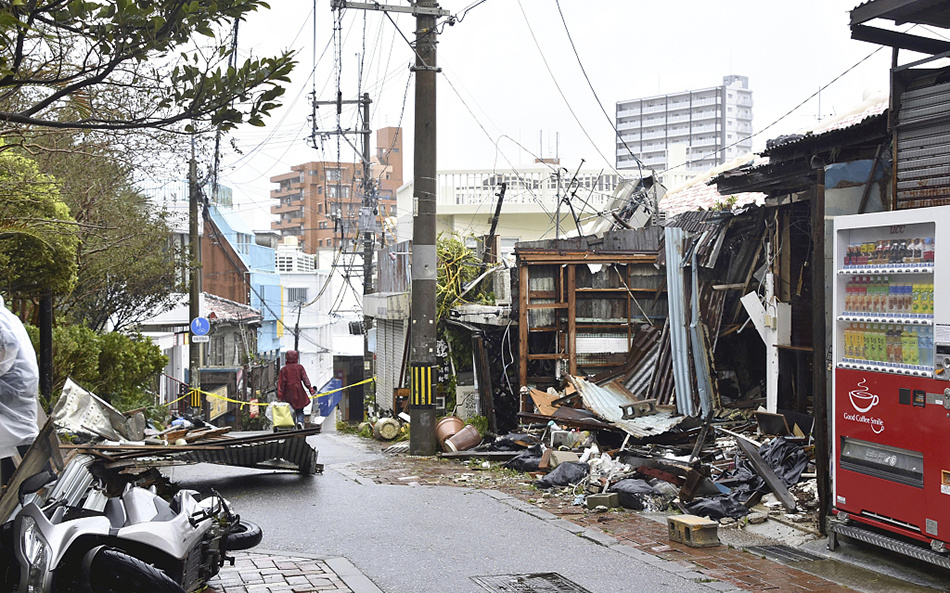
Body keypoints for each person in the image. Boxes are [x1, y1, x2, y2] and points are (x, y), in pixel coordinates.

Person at [0, 295, 39, 488]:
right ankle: (20, 484)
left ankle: (38, 479)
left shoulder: (0, 319)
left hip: (11, 387)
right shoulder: (6, 315)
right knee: (14, 436)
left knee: (14, 435)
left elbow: (8, 346)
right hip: (17, 385)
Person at [277, 350, 314, 428]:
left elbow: (282, 383)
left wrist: (280, 396)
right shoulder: (299, 367)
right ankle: (300, 422)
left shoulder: (284, 369)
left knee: (289, 410)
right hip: (299, 391)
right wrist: (311, 390)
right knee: (300, 410)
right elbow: (305, 379)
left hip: (288, 392)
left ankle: (291, 425)